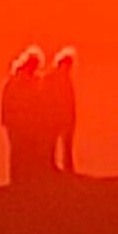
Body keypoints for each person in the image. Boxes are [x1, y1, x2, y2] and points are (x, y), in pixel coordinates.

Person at [0, 48, 51, 185]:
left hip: (20, 123)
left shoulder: (14, 81)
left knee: (20, 151)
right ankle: (21, 180)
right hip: (22, 123)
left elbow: (5, 102)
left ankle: (18, 179)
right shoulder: (27, 82)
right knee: (22, 151)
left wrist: (5, 120)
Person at [49, 46, 80, 175]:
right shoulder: (57, 78)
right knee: (59, 142)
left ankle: (66, 166)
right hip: (59, 116)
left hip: (65, 115)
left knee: (65, 143)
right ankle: (60, 166)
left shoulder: (62, 78)